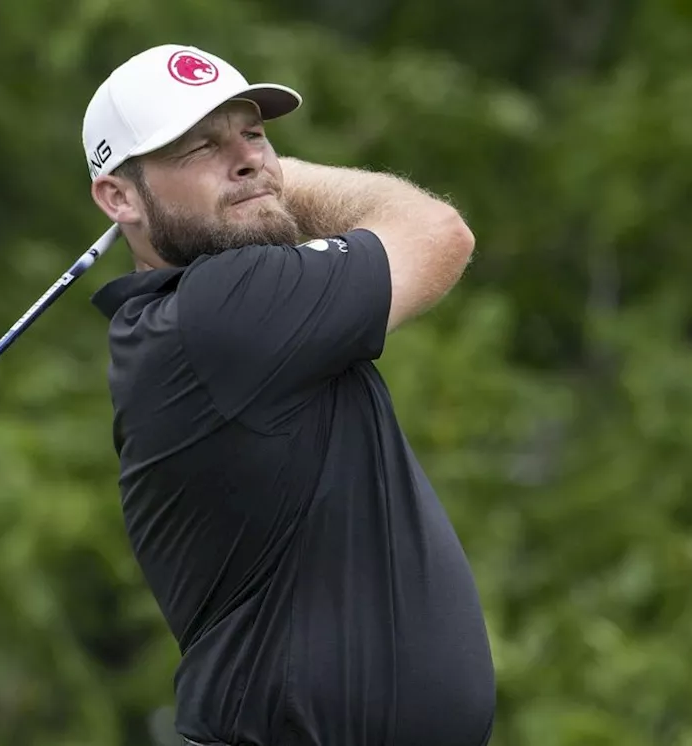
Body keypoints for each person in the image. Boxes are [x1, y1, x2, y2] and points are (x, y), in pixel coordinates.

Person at [84, 44, 496, 746]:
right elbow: (438, 232)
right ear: (120, 197)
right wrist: (283, 181)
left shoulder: (200, 319)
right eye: (199, 148)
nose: (248, 158)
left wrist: (254, 182)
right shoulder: (219, 309)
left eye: (255, 134)